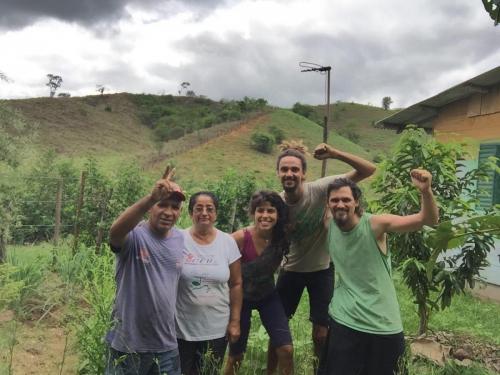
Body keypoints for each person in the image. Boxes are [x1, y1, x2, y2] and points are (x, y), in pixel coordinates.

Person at [270, 141, 377, 371]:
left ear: (304, 174)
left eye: (295, 169)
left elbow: (368, 169)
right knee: (277, 330)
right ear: (278, 173)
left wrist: (335, 153)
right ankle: (270, 370)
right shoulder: (276, 203)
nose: (290, 174)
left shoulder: (320, 189)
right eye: (285, 169)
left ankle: (321, 370)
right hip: (290, 270)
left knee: (321, 333)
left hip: (322, 269)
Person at [321, 169, 439, 375]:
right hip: (344, 320)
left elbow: (427, 220)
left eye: (346, 199)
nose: (340, 204)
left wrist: (426, 191)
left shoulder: (375, 225)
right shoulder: (328, 224)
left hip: (382, 324)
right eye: (335, 200)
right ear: (328, 203)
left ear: (356, 201)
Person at [106, 166, 185, 375]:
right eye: (162, 205)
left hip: (166, 344)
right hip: (128, 344)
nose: (169, 212)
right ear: (151, 208)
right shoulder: (135, 235)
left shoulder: (181, 239)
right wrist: (151, 197)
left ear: (180, 212)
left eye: (175, 207)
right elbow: (115, 232)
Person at [225, 191, 294, 375]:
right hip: (241, 299)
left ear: (278, 215)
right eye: (260, 210)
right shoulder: (240, 238)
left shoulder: (282, 236)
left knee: (286, 349)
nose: (265, 215)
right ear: (253, 213)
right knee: (236, 356)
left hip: (267, 296)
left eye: (271, 211)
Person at [176, 191, 242, 375]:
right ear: (190, 213)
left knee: (209, 372)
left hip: (217, 328)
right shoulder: (177, 239)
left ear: (216, 214)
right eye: (199, 208)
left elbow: (236, 283)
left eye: (209, 209)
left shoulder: (227, 242)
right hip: (182, 328)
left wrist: (235, 322)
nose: (204, 213)